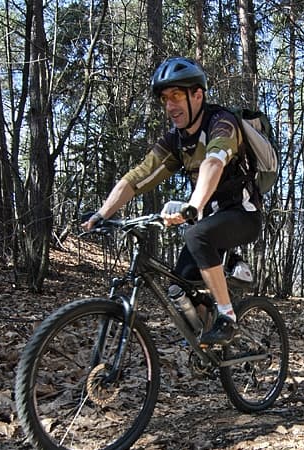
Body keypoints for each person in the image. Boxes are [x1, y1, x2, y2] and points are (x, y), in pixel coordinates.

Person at [82, 57, 261, 347]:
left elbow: (213, 162)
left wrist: (195, 204)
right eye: (165, 99)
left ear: (197, 95)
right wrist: (102, 213)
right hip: (207, 220)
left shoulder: (223, 123)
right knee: (179, 287)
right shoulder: (176, 141)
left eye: (176, 96)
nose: (170, 106)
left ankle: (227, 318)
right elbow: (138, 177)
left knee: (196, 233)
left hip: (242, 214)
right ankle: (208, 343)